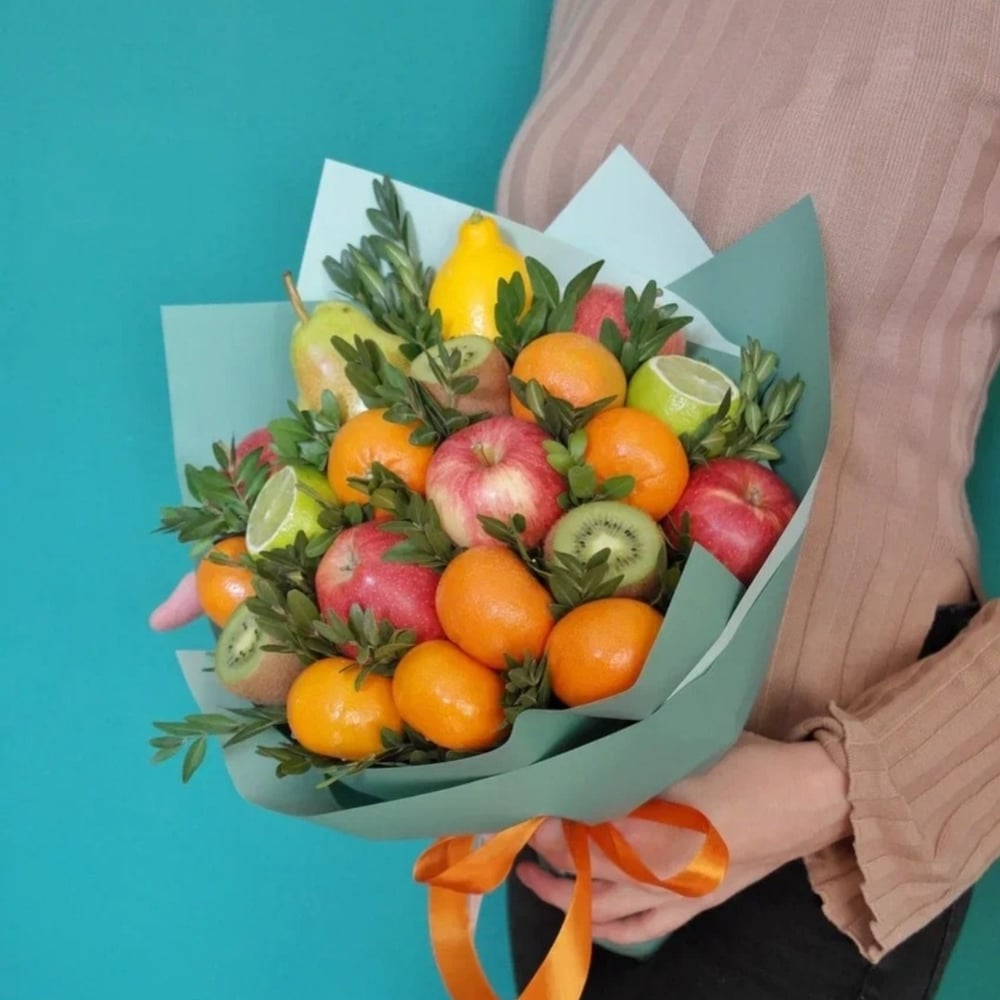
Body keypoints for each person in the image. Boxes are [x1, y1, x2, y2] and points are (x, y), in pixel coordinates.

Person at [152, 1, 1000, 995]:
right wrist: (313, 536)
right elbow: (521, 353)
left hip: (801, 827)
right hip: (554, 774)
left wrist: (835, 786)